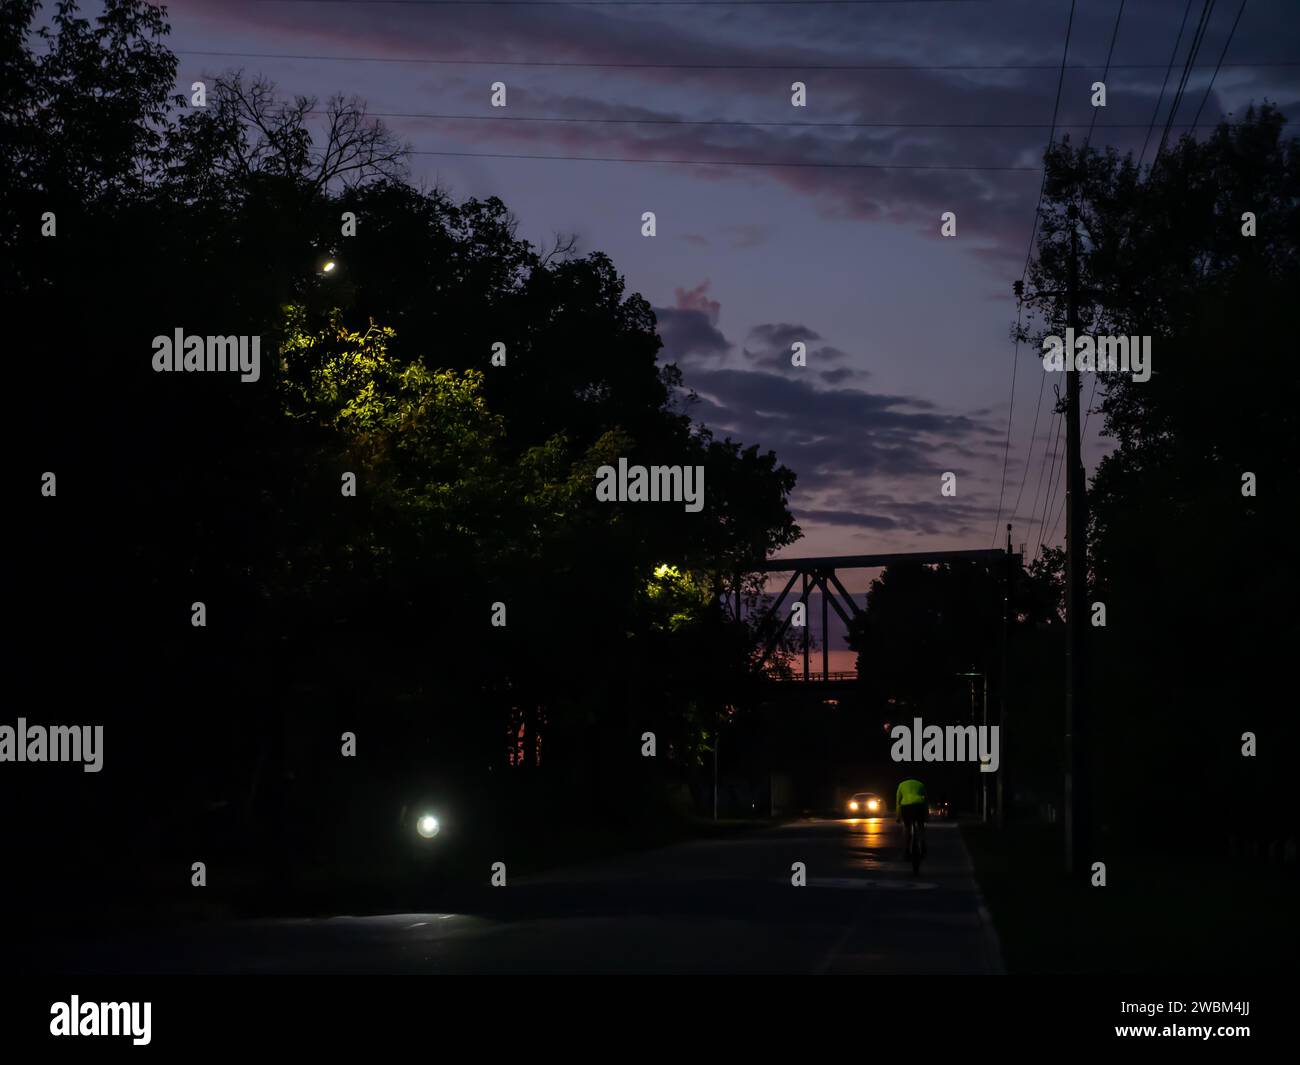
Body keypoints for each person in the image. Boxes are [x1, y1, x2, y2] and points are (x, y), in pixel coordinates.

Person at [895, 777, 928, 860]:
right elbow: (926, 800)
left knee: (907, 827)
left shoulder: (901, 784)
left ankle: (906, 850)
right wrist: (926, 815)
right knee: (921, 825)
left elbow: (898, 802)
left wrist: (898, 816)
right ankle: (923, 845)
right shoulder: (921, 784)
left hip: (906, 807)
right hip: (919, 806)